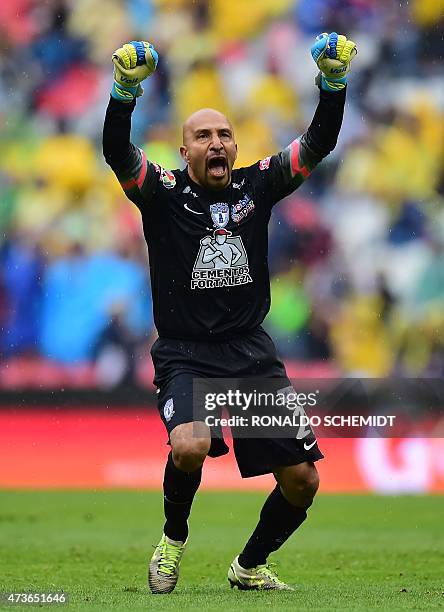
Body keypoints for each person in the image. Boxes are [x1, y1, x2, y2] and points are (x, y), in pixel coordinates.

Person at [103, 33, 357, 593]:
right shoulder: (163, 194)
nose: (216, 143)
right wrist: (124, 94)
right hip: (185, 352)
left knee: (302, 480)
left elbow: (317, 143)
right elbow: (118, 153)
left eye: (224, 134)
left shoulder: (257, 185)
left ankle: (249, 564)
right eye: (203, 136)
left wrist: (332, 86)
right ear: (183, 151)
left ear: (235, 147)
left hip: (249, 353)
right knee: (190, 444)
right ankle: (172, 541)